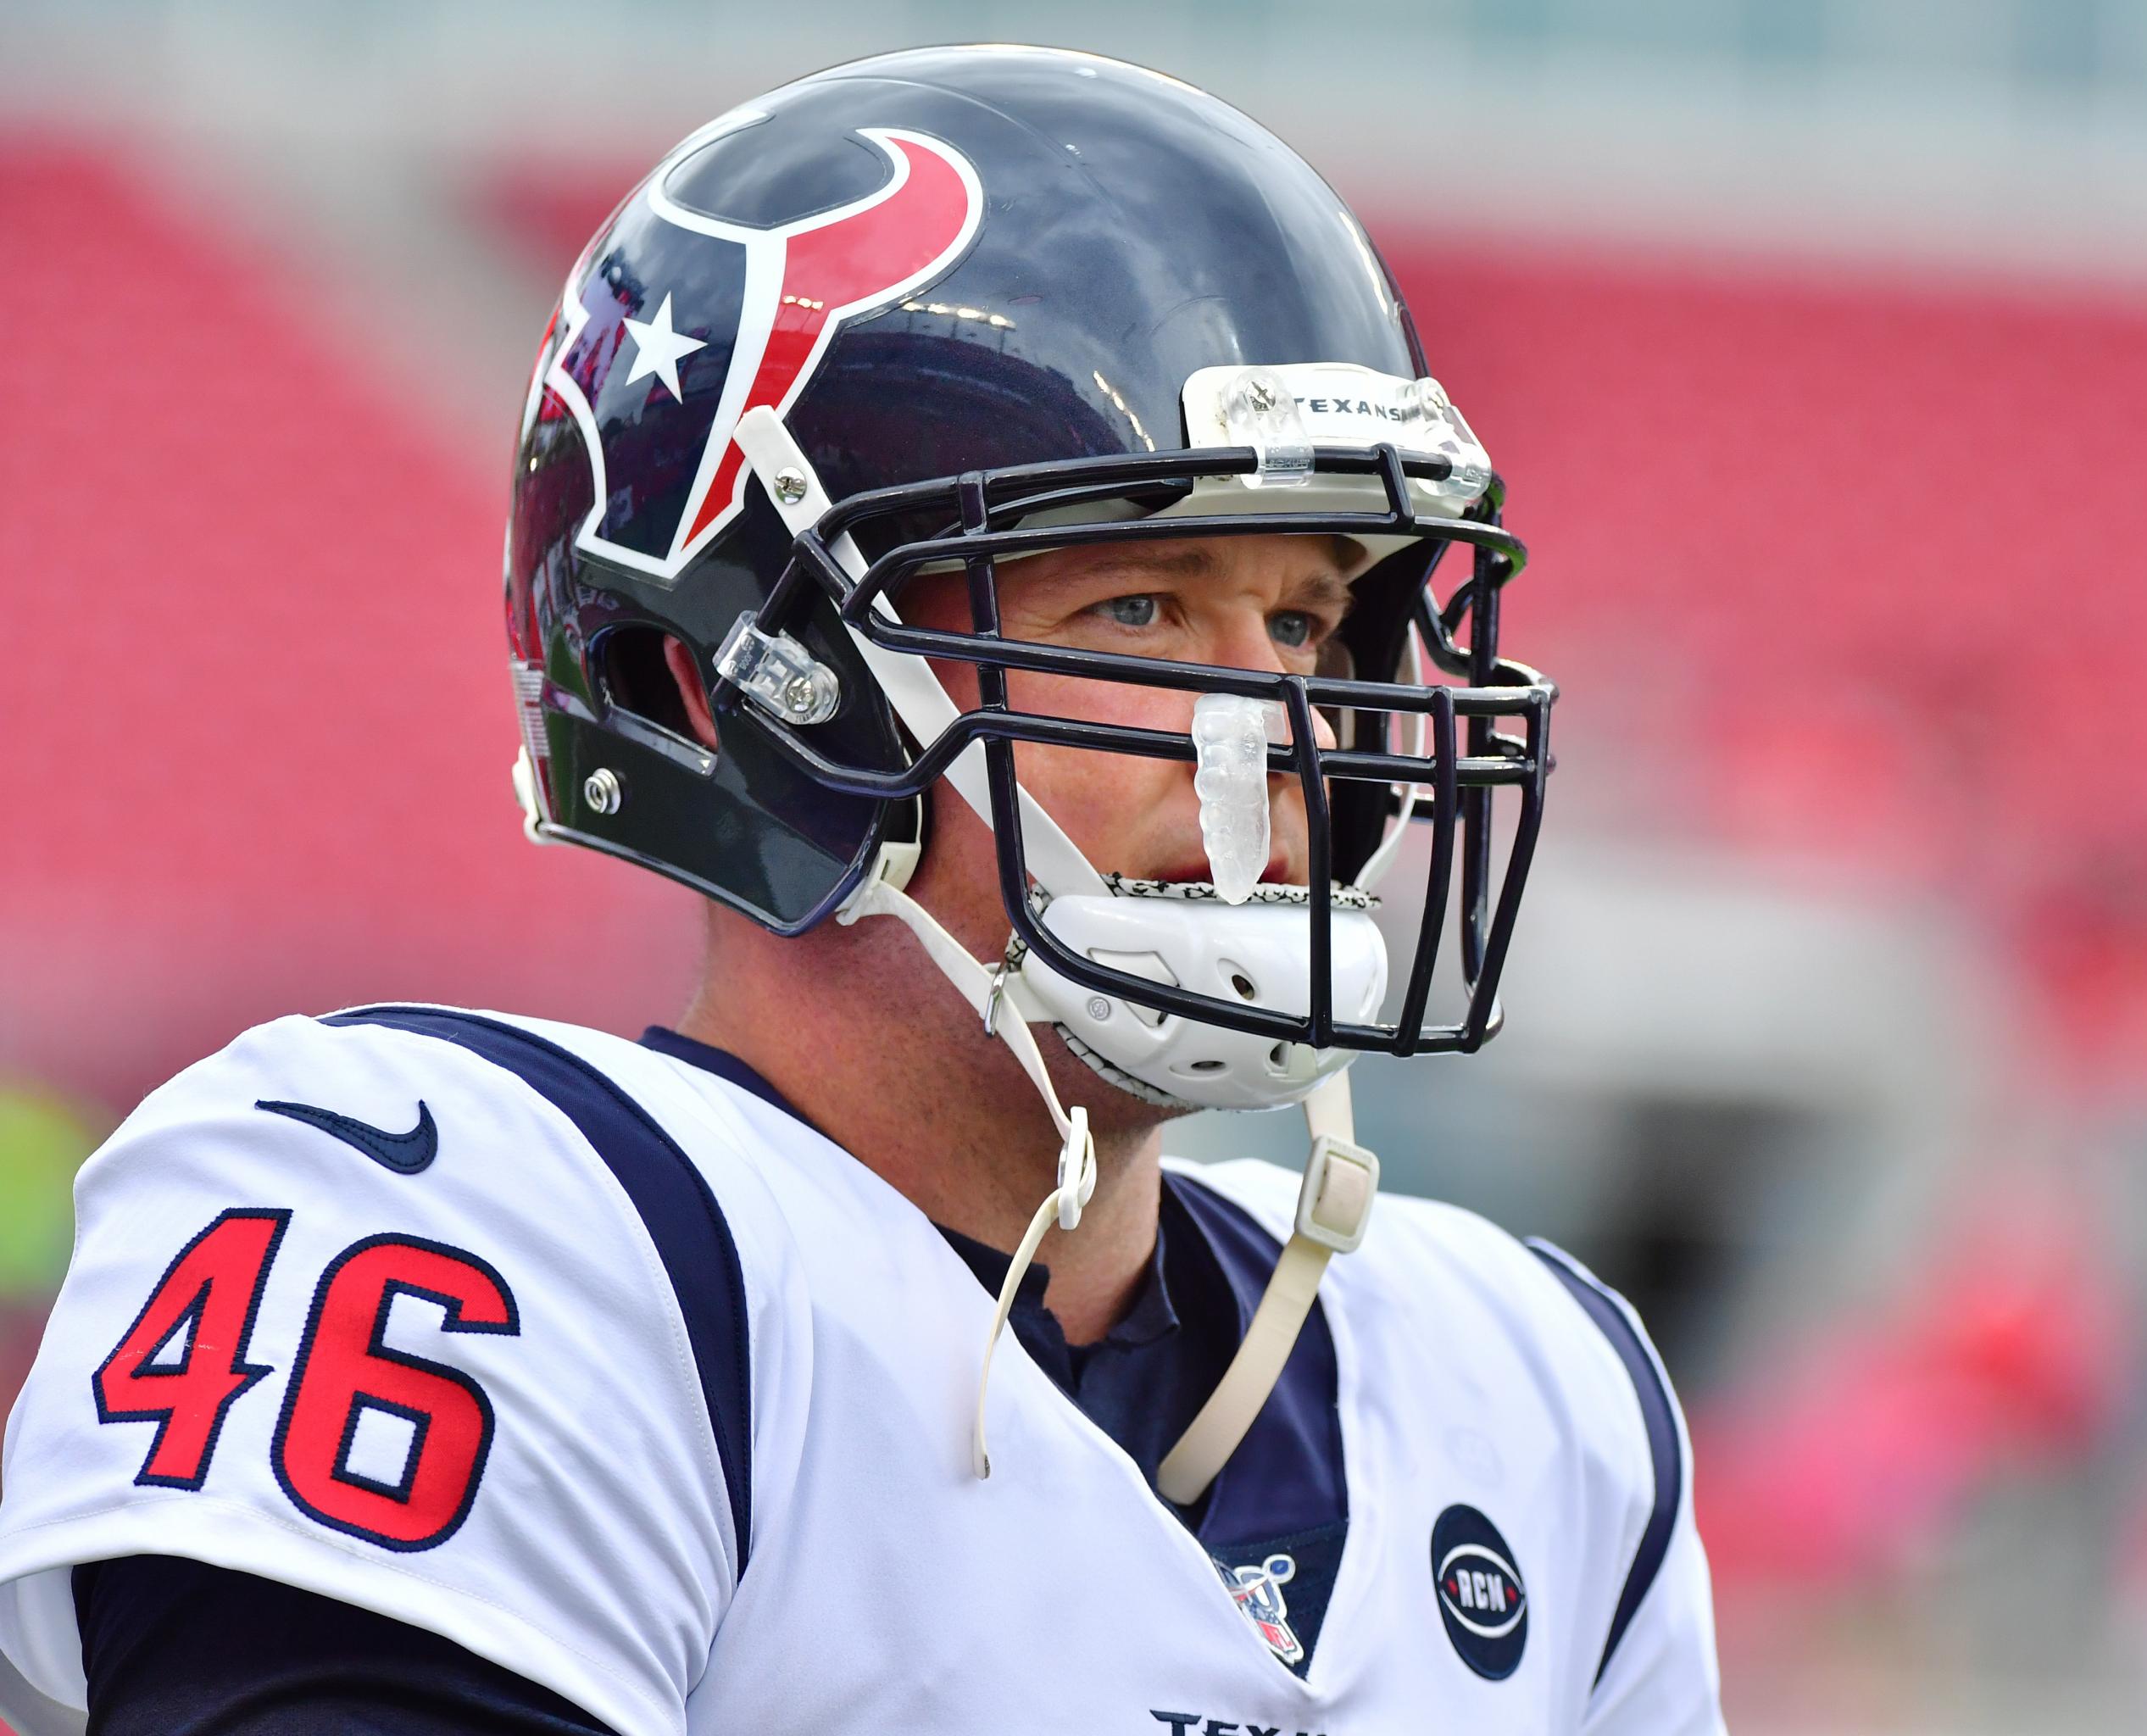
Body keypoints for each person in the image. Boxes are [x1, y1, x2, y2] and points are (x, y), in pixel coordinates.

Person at [0, 46, 1722, 1735]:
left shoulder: (1531, 1394)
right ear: (727, 687)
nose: (1272, 726)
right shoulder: (479, 1237)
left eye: (1304, 622)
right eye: (1137, 612)